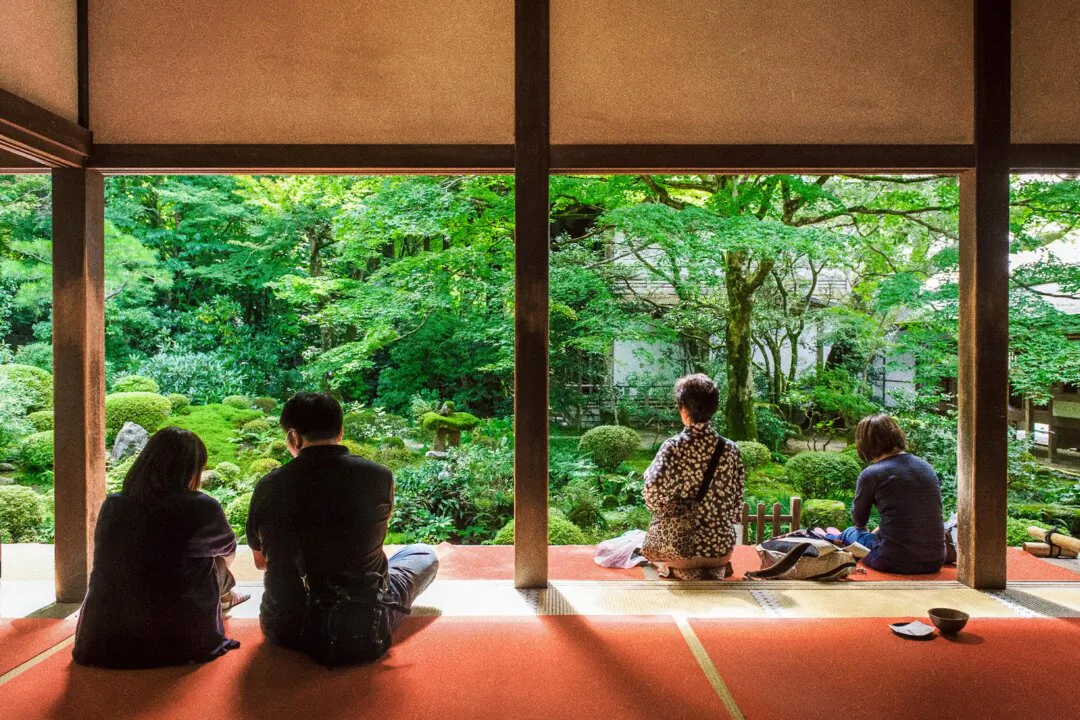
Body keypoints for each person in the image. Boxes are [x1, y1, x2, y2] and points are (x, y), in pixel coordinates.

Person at [246, 392, 438, 663]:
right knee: (422, 554)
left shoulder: (269, 486)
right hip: (362, 623)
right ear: (341, 431)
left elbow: (260, 562)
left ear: (293, 437)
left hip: (286, 625)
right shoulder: (379, 476)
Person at [73, 427, 245, 668]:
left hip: (103, 639)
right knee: (215, 560)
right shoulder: (201, 507)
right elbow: (227, 548)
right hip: (179, 640)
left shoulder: (113, 504)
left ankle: (227, 597)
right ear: (192, 469)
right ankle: (227, 597)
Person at [641, 374, 745, 580]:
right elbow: (736, 504)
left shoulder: (673, 447)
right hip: (720, 551)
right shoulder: (730, 449)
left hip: (678, 550)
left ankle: (675, 570)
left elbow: (651, 491)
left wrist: (666, 509)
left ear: (684, 409)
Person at [826, 414, 946, 574]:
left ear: (865, 443)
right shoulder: (926, 467)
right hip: (935, 560)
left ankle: (834, 536)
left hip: (892, 560)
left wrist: (862, 530)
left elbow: (859, 520)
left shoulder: (872, 473)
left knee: (851, 532)